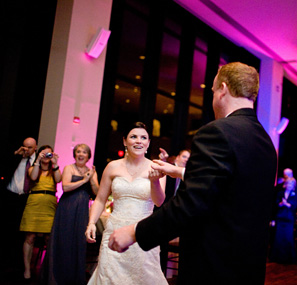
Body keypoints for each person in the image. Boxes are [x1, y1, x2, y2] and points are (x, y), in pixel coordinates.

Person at [108, 62, 278, 284]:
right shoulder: (266, 142)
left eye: (213, 90)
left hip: (212, 267)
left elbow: (190, 203)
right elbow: (228, 191)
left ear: (223, 89)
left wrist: (135, 232)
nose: (213, 96)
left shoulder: (217, 132)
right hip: (248, 268)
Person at [84, 122, 167, 284]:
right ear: (124, 141)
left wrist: (155, 181)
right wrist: (91, 223)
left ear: (148, 143)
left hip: (143, 232)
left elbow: (159, 202)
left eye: (143, 138)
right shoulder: (112, 167)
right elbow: (101, 199)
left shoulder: (156, 167)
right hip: (114, 231)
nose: (138, 141)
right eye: (133, 137)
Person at [45, 144, 98, 284]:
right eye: (78, 151)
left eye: (84, 152)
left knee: (78, 241)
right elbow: (66, 187)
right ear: (75, 154)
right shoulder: (69, 168)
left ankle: (73, 278)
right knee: (64, 239)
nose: (81, 154)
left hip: (82, 211)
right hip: (67, 208)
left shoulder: (91, 171)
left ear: (88, 156)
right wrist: (84, 180)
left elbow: (97, 192)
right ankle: (57, 276)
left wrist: (91, 179)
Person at [20, 145, 61, 280]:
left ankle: (46, 269)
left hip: (49, 205)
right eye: (45, 154)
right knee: (30, 238)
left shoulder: (53, 169)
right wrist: (38, 160)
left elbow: (58, 179)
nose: (47, 157)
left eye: (49, 154)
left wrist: (55, 164)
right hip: (34, 204)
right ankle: (27, 270)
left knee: (49, 238)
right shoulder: (33, 168)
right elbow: (33, 177)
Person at [2, 137, 36, 272]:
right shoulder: (16, 158)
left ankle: (18, 265)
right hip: (11, 196)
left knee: (22, 232)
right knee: (6, 230)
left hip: (26, 198)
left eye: (29, 147)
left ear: (35, 148)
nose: (26, 150)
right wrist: (16, 154)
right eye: (24, 146)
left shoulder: (37, 161)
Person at [271, 179, 297, 264]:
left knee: (288, 238)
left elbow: (294, 205)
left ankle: (289, 258)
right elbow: (276, 204)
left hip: (289, 218)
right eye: (289, 183)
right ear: (286, 184)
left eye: (292, 184)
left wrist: (285, 203)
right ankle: (277, 258)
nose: (290, 185)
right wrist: (282, 204)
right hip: (280, 217)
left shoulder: (295, 194)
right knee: (278, 238)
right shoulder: (280, 193)